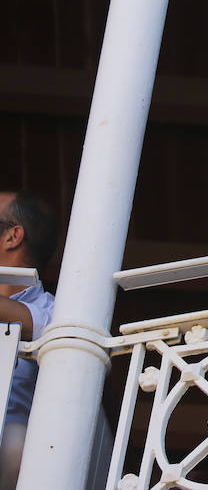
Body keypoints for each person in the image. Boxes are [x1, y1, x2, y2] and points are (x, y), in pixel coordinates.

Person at [0, 192, 58, 490]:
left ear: (13, 235)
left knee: (15, 444)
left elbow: (30, 321)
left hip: (12, 450)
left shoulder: (55, 309)